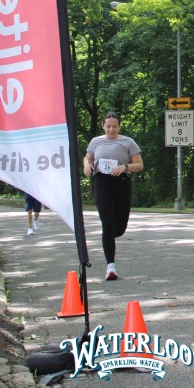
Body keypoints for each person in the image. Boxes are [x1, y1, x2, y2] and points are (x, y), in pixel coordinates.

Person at [83, 112, 143, 280]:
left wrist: (125, 167)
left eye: (114, 126)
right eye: (108, 126)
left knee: (120, 227)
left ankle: (110, 235)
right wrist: (87, 164)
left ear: (119, 127)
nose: (111, 129)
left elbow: (139, 165)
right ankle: (111, 266)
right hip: (102, 183)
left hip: (122, 183)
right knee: (107, 224)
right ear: (103, 126)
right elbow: (87, 158)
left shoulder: (128, 142)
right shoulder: (96, 141)